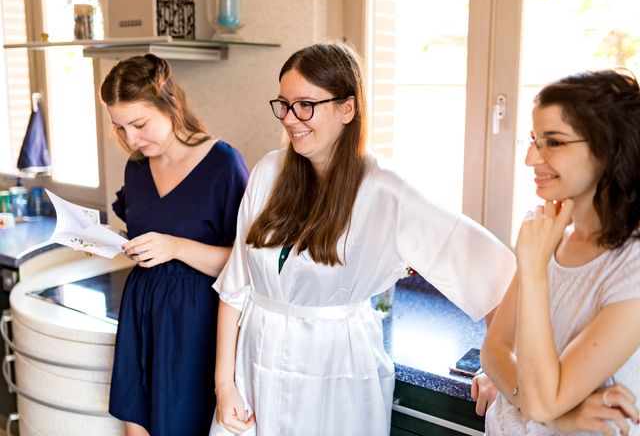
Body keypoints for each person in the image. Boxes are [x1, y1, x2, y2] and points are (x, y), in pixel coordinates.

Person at [209, 42, 516, 436]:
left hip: (336, 376)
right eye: (283, 104)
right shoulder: (269, 172)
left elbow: (496, 273)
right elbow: (235, 290)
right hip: (253, 371)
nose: (289, 118)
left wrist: (499, 363)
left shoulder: (387, 192)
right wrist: (225, 385)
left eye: (305, 104)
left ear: (347, 109)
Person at [481, 69, 640, 435]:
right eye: (535, 140)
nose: (531, 160)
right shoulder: (550, 232)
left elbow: (540, 400)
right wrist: (558, 415)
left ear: (608, 148)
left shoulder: (630, 267)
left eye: (553, 142)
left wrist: (534, 268)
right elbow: (493, 351)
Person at [101, 54, 249, 436]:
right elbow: (145, 234)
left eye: (139, 124)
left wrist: (176, 247)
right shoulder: (135, 168)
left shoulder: (223, 165)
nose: (131, 139)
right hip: (142, 313)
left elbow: (248, 266)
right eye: (120, 128)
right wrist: (109, 243)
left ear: (170, 104)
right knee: (136, 427)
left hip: (197, 324)